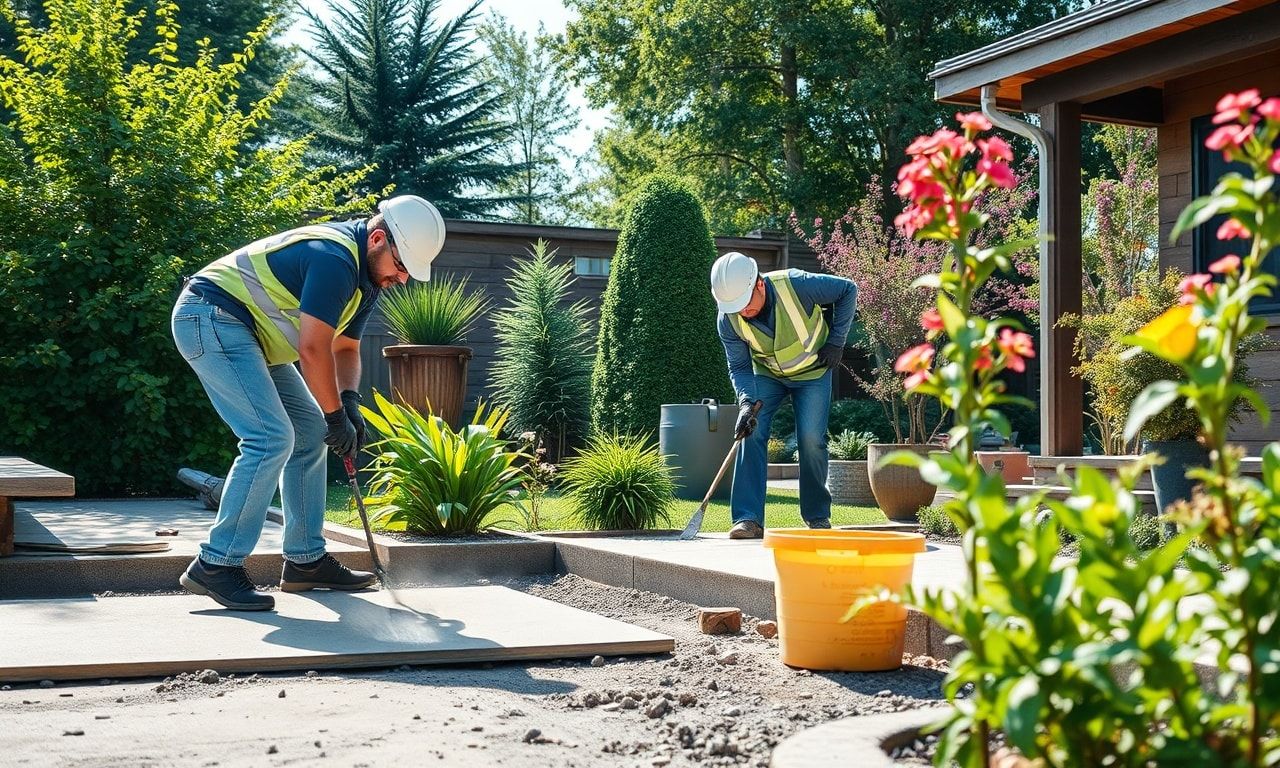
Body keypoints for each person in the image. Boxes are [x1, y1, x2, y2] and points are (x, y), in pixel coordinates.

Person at [171, 196, 445, 610]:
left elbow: (346, 349)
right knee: (269, 437)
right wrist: (334, 415)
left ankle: (305, 561)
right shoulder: (333, 257)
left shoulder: (367, 280)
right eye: (402, 266)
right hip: (211, 316)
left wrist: (348, 404)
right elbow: (314, 349)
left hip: (253, 337)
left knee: (311, 435)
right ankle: (216, 565)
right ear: (377, 239)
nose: (402, 279)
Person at [710, 252, 857, 539]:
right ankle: (748, 519)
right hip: (767, 375)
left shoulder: (797, 285)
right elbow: (739, 366)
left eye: (745, 303)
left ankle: (817, 517)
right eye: (735, 307)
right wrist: (745, 404)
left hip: (813, 373)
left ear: (759, 285)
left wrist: (837, 341)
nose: (742, 312)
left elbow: (847, 289)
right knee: (749, 432)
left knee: (812, 440)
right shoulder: (728, 319)